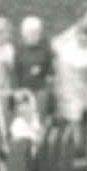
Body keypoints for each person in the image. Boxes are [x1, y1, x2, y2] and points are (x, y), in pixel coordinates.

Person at [56, 7, 87, 136]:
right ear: (81, 19)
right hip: (74, 82)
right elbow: (57, 45)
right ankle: (76, 139)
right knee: (73, 105)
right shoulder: (71, 35)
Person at [13, 14, 55, 142]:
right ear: (24, 34)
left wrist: (48, 83)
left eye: (37, 32)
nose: (35, 35)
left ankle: (40, 142)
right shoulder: (19, 50)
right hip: (24, 91)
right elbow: (15, 72)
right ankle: (25, 143)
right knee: (24, 119)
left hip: (40, 90)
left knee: (39, 119)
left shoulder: (45, 50)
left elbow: (50, 71)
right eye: (31, 32)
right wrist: (16, 90)